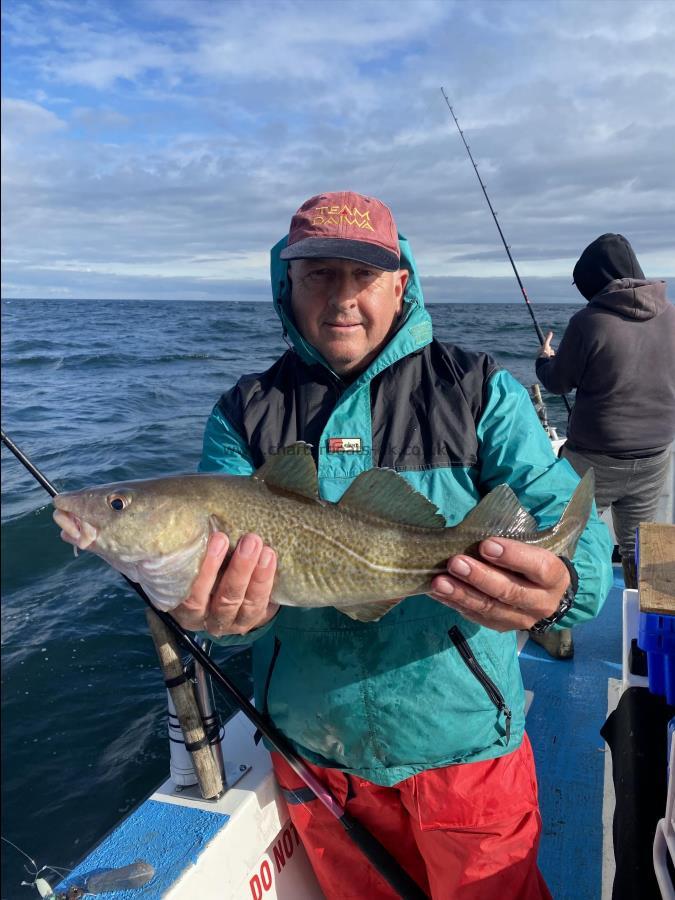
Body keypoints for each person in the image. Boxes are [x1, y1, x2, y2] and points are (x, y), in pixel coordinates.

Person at [171, 192, 613, 899]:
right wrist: (219, 616)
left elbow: (561, 510)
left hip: (461, 738)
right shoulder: (241, 411)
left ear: (400, 281)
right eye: (319, 274)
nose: (342, 299)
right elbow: (219, 579)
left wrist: (563, 585)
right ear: (285, 282)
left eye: (364, 276)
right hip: (314, 749)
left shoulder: (475, 388)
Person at [536, 233, 675, 601]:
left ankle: (558, 628)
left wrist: (544, 359)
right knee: (639, 544)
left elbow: (558, 383)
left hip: (592, 459)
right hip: (655, 457)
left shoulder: (589, 322)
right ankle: (644, 634)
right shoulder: (673, 316)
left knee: (566, 537)